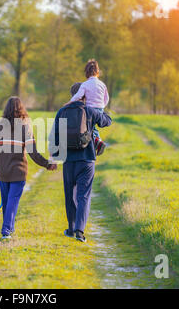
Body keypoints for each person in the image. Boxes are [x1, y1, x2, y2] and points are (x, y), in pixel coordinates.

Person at [51, 83, 112, 242]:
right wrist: (100, 106)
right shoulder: (90, 111)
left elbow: (55, 137)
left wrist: (55, 157)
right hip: (87, 160)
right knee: (83, 195)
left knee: (69, 195)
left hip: (69, 161)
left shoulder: (62, 111)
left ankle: (71, 229)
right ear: (85, 95)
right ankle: (80, 230)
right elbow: (107, 121)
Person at [0, 97, 57, 239]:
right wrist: (47, 163)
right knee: (12, 201)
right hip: (19, 171)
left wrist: (0, 164)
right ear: (22, 108)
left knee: (7, 201)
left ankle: (9, 229)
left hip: (3, 171)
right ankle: (6, 231)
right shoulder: (25, 126)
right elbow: (33, 152)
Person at [65, 59, 109, 155]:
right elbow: (106, 98)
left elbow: (78, 96)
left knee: (88, 128)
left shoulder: (85, 84)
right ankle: (98, 141)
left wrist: (69, 102)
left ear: (86, 72)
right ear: (98, 72)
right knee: (93, 128)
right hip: (100, 109)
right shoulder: (102, 84)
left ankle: (97, 142)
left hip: (89, 109)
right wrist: (102, 106)